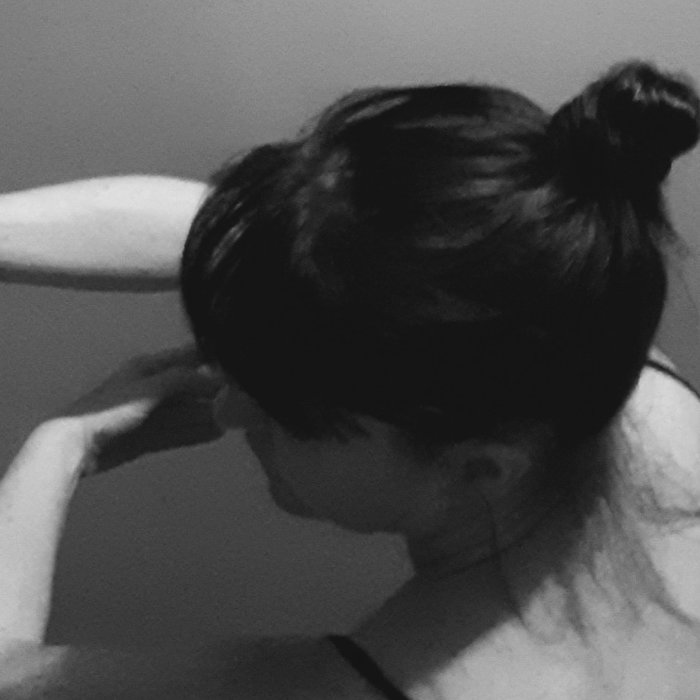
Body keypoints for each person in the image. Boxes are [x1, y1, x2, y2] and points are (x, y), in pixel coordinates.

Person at [0, 59, 699, 699]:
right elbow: (352, 255)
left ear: (481, 468)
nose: (229, 410)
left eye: (281, 412)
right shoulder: (616, 369)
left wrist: (59, 447)